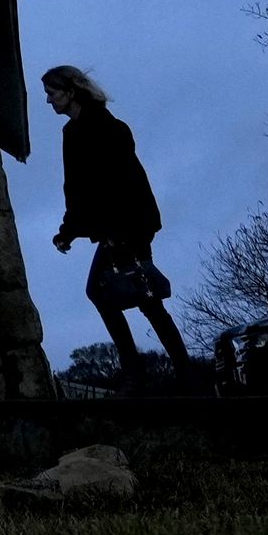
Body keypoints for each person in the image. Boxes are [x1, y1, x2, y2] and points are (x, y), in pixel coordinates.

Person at [46, 65, 191, 383]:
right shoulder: (75, 132)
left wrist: (112, 231)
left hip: (128, 224)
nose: (48, 100)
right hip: (121, 226)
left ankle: (141, 372)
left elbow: (119, 182)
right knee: (144, 298)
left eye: (52, 93)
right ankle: (180, 372)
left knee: (112, 293)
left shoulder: (106, 128)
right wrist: (69, 231)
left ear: (71, 92)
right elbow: (78, 189)